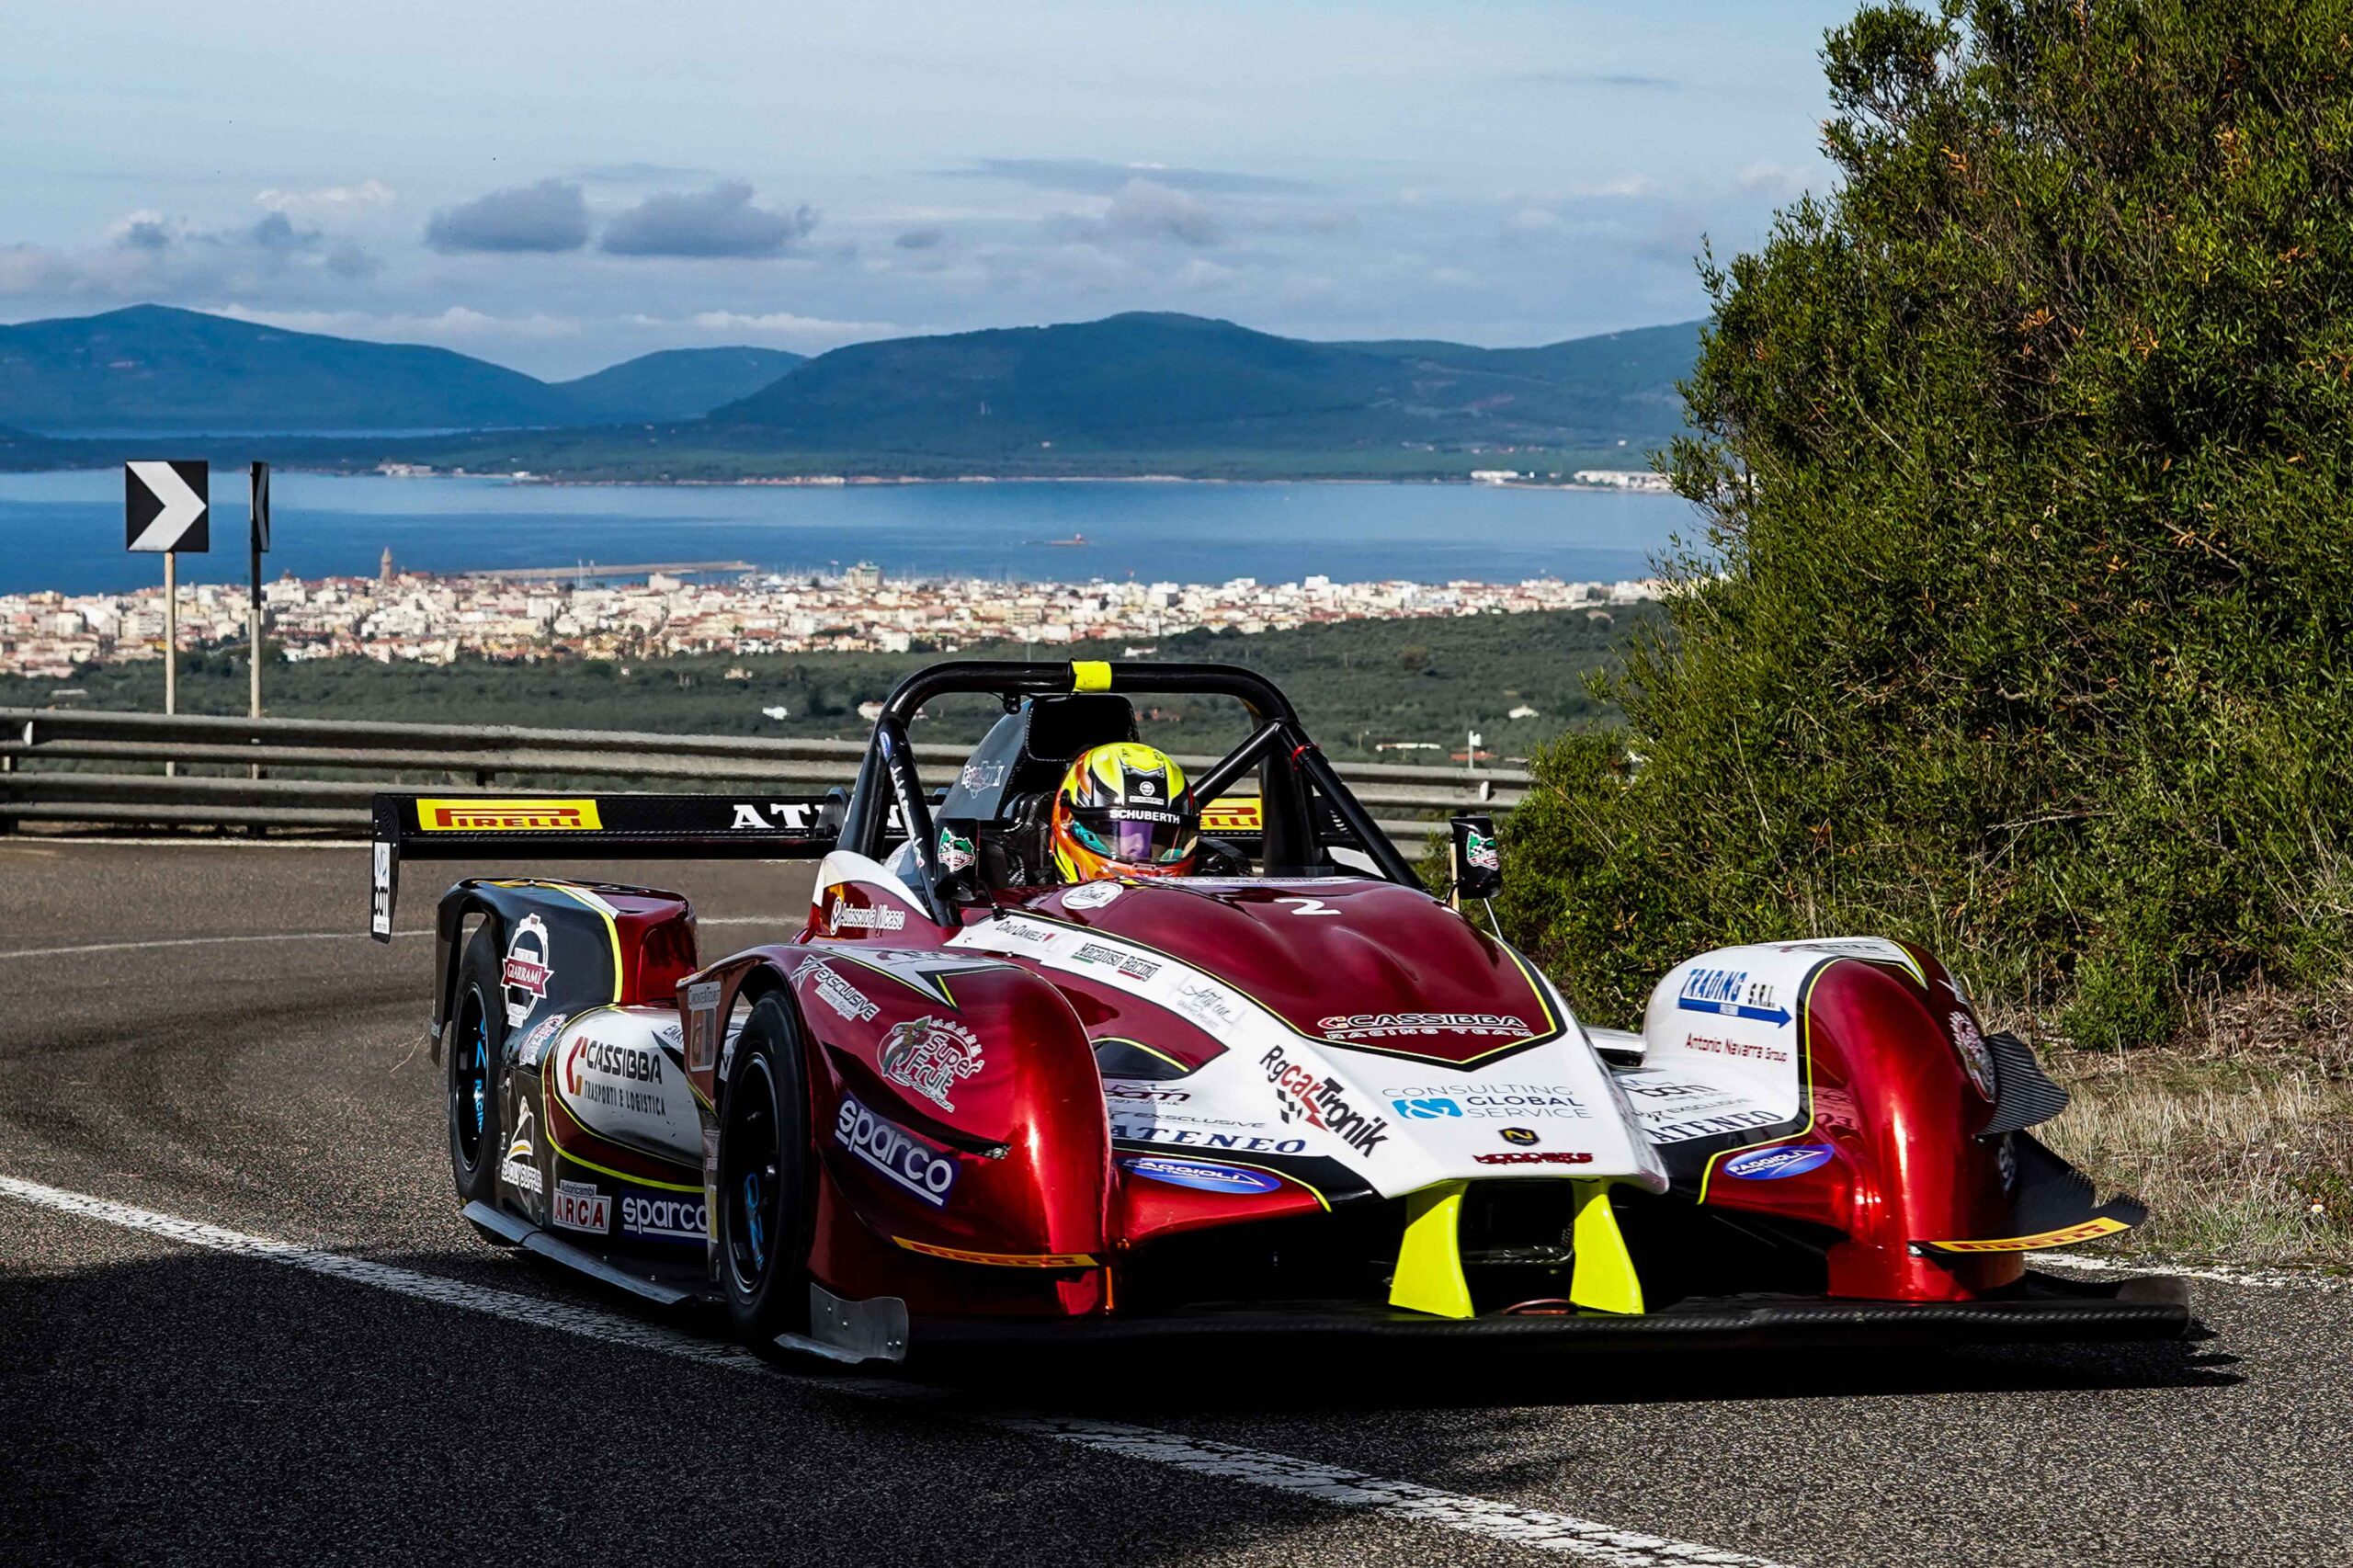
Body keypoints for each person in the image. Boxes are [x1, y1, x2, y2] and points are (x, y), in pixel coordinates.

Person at [1047, 741, 1199, 881]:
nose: (1140, 847)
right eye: (1115, 831)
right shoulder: (1025, 893)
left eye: (1160, 835)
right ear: (1065, 817)